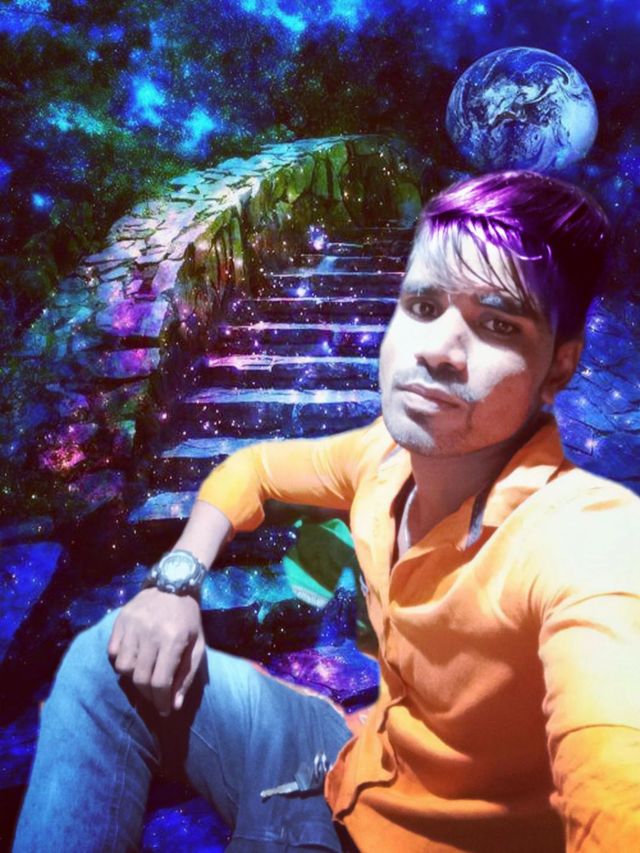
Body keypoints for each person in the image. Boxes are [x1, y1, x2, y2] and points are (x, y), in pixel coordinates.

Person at [13, 170, 640, 852]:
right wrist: (178, 579)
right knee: (106, 660)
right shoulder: (382, 457)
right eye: (424, 305)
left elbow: (615, 778)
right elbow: (250, 469)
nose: (437, 350)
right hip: (340, 757)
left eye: (497, 324)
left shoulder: (586, 538)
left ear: (558, 368)